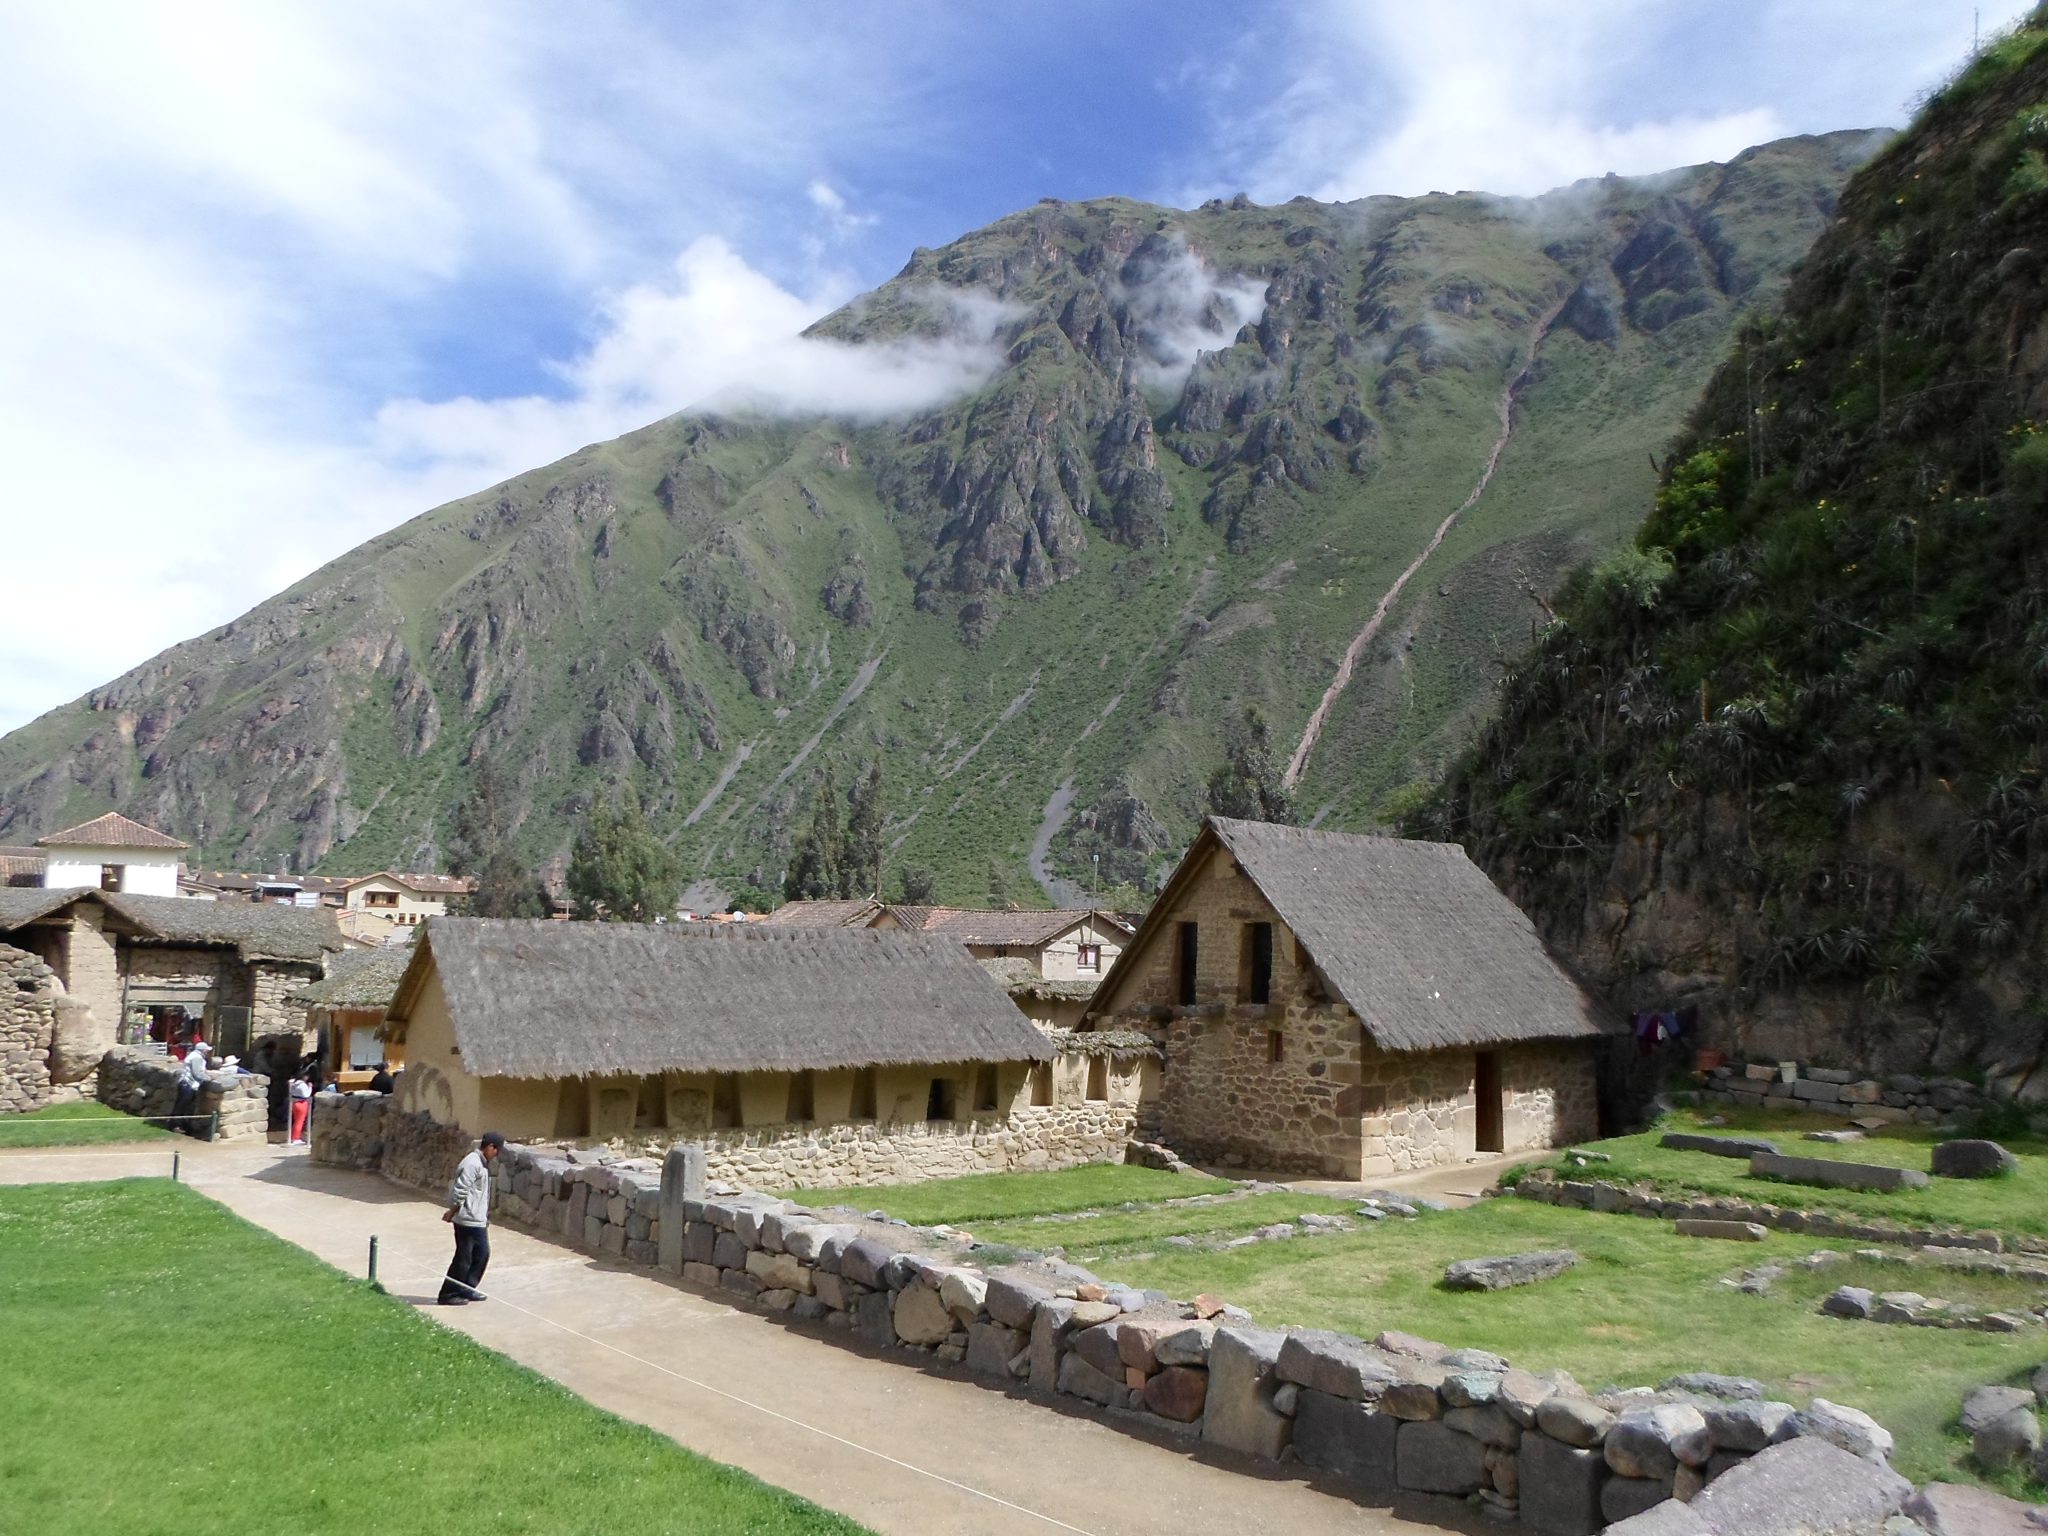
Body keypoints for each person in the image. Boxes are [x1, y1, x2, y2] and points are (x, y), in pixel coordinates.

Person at [438, 1131, 504, 1305]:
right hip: (467, 1220)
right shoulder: (472, 1163)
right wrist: (452, 1212)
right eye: (497, 1150)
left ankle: (466, 1288)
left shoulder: (481, 1164)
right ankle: (448, 1294)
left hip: (477, 1219)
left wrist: (484, 1216)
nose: (497, 1154)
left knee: (481, 1255)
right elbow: (460, 1190)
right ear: (490, 1147)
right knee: (463, 1258)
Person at [171, 1036, 210, 1136]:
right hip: (188, 1084)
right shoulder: (196, 1057)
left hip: (189, 1085)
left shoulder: (196, 1056)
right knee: (182, 1106)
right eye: (206, 1050)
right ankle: (176, 1126)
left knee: (186, 1107)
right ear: (203, 1050)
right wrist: (209, 1077)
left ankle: (183, 1126)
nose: (207, 1052)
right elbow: (197, 1073)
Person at [287, 1067, 313, 1146]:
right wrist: (310, 1087)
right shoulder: (302, 1085)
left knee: (296, 1121)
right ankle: (296, 1138)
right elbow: (306, 1094)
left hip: (295, 1102)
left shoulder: (293, 1083)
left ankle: (294, 1136)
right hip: (302, 1103)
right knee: (300, 1121)